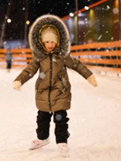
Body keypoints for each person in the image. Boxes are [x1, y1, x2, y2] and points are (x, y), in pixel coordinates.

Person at [12, 14, 98, 157]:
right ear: (42, 42)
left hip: (60, 91)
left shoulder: (62, 56)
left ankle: (62, 141)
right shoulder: (39, 58)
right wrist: (19, 80)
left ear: (57, 41)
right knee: (42, 118)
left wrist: (88, 75)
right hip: (43, 92)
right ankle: (42, 138)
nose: (50, 44)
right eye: (47, 42)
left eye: (52, 41)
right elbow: (29, 70)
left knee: (61, 118)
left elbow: (76, 65)